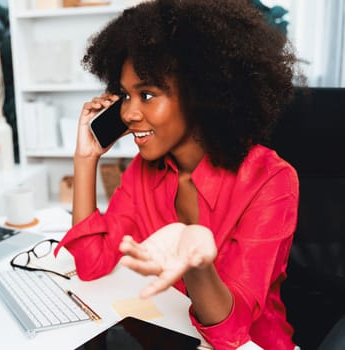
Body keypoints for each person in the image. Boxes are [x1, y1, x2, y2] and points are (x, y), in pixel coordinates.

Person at [53, 0, 301, 349]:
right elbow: (93, 264)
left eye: (147, 94)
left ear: (200, 95)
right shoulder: (143, 171)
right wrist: (85, 158)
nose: (128, 113)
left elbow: (232, 334)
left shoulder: (270, 180)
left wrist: (197, 266)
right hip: (174, 333)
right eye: (125, 95)